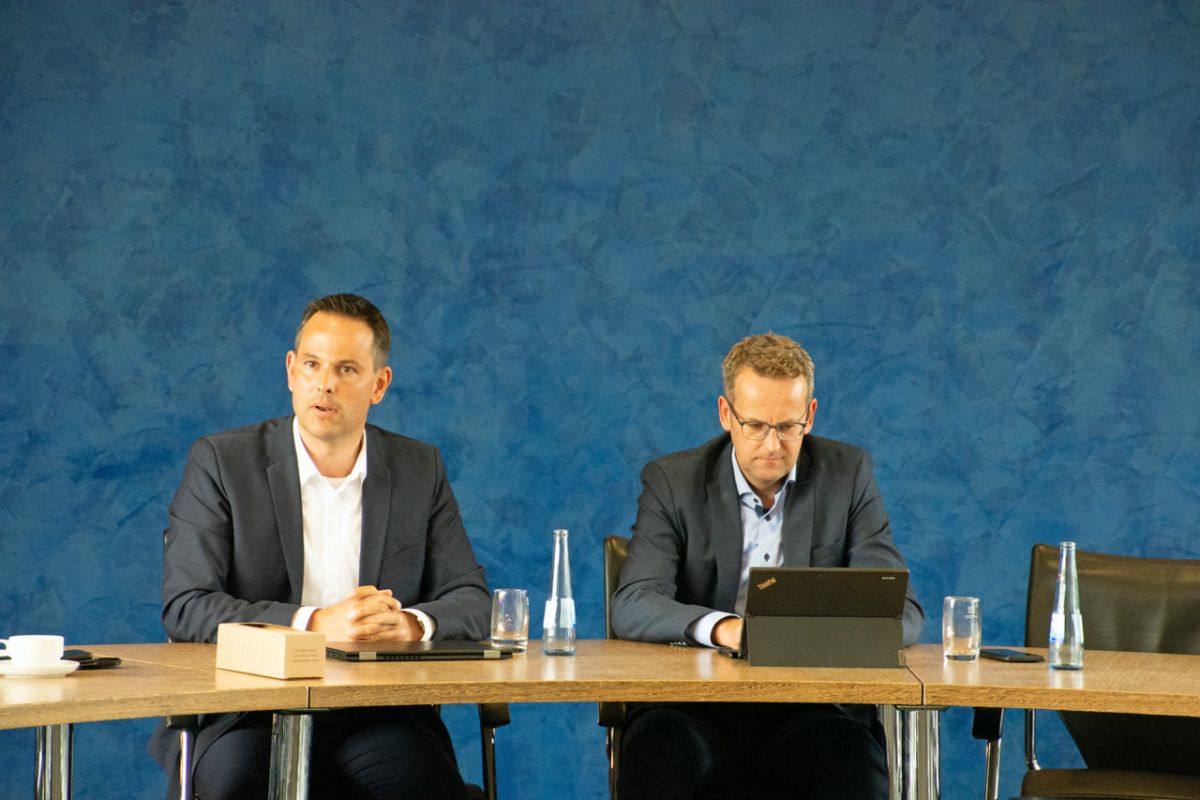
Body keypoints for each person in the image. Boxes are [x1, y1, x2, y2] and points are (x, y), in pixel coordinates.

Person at [149, 293, 490, 799]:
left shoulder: (419, 469)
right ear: (291, 370)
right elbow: (187, 605)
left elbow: (472, 599)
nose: (325, 383)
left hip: (378, 712)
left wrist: (408, 624)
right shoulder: (221, 462)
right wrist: (314, 625)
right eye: (312, 364)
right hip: (246, 710)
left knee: (428, 790)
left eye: (347, 369)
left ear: (379, 384)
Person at [611, 332, 924, 800]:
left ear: (810, 415)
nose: (772, 444)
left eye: (788, 426)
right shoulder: (672, 481)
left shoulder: (849, 475)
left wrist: (806, 638)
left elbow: (901, 613)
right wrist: (725, 629)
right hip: (690, 707)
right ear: (726, 414)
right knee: (655, 750)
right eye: (755, 425)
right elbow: (634, 602)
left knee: (852, 756)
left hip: (810, 708)